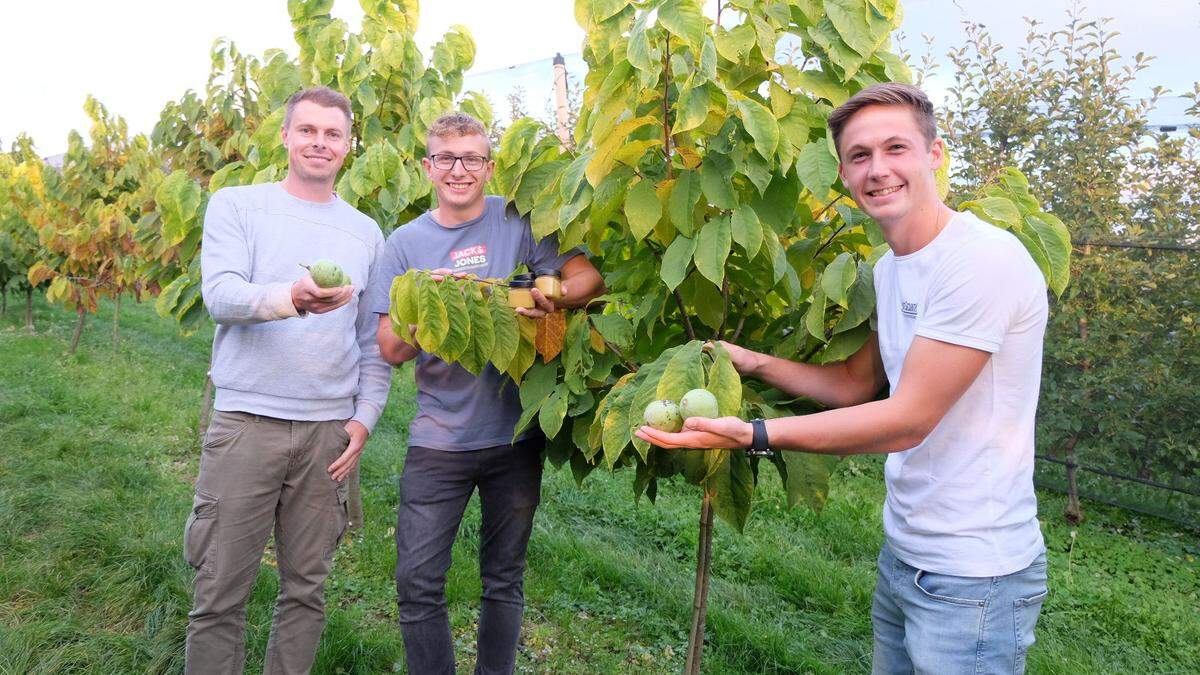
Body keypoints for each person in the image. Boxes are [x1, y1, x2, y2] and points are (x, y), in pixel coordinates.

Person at [637, 83, 1050, 674]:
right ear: (844, 172)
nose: (878, 169)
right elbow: (856, 386)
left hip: (973, 574)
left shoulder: (982, 261)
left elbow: (907, 420)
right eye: (859, 156)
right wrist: (751, 361)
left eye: (896, 148)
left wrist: (752, 433)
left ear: (934, 154)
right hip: (907, 553)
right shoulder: (889, 270)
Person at [366, 112, 604, 674]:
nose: (459, 169)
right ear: (428, 168)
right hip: (438, 440)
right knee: (417, 582)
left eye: (471, 158)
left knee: (504, 578)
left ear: (489, 167)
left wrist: (555, 297)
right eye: (446, 158)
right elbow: (389, 347)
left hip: (512, 436)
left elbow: (586, 279)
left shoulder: (517, 221)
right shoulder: (404, 246)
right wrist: (433, 309)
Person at [186, 86, 391, 674]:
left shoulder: (364, 233)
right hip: (247, 423)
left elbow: (368, 340)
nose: (319, 143)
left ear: (349, 145)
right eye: (308, 130)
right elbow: (221, 295)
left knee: (307, 590)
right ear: (285, 135)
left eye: (332, 134)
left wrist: (365, 417)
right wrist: (292, 299)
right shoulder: (237, 206)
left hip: (328, 431)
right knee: (220, 589)